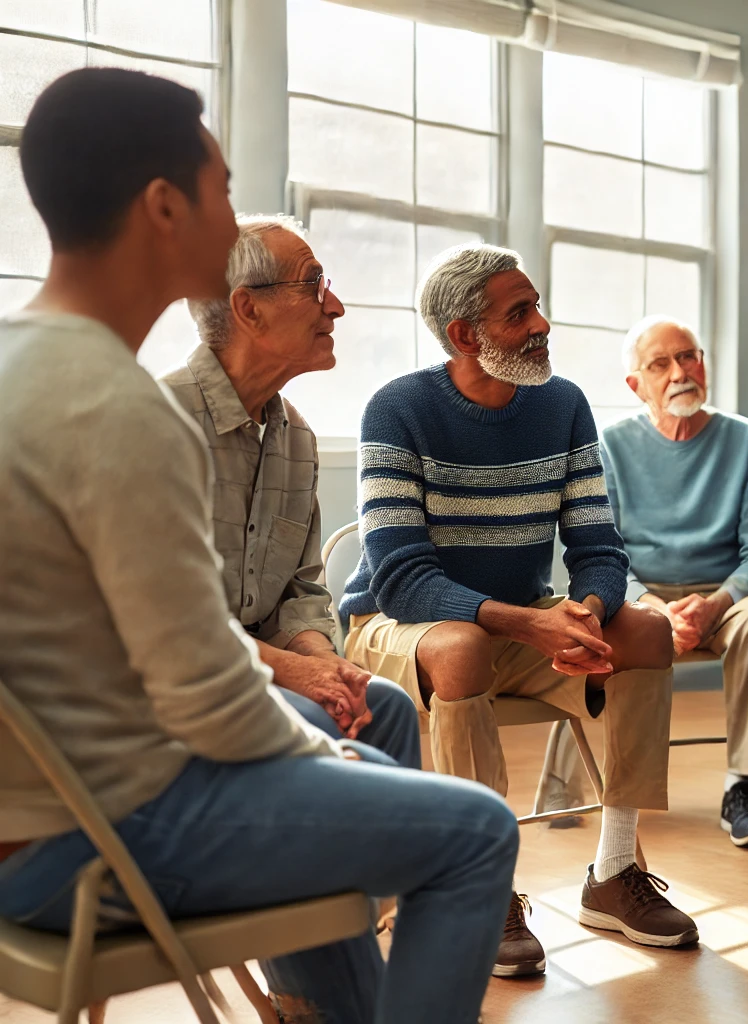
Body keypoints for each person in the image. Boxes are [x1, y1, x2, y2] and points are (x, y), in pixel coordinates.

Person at [0, 67, 517, 1024]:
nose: (231, 212)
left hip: (46, 815)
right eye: (222, 187)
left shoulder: (18, 361)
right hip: (88, 839)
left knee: (367, 754)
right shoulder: (126, 409)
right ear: (163, 207)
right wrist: (329, 764)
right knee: (477, 829)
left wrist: (319, 706)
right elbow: (204, 694)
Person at [338, 242, 681, 976]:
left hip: (521, 622)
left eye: (536, 306)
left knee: (645, 630)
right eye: (519, 313)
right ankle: (480, 887)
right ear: (466, 335)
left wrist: (583, 614)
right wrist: (531, 622)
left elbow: (597, 545)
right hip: (397, 628)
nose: (542, 324)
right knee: (462, 645)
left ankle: (614, 873)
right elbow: (401, 578)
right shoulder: (397, 410)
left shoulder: (562, 406)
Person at [164, 213, 420, 768]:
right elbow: (172, 627)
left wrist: (325, 664)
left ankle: (383, 852)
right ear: (248, 308)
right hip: (180, 685)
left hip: (261, 669)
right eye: (314, 285)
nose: (336, 307)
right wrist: (299, 674)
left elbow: (300, 594)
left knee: (385, 706)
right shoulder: (158, 424)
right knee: (329, 731)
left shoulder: (296, 439)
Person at [538, 314, 748, 847]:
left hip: (720, 597)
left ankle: (742, 786)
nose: (681, 371)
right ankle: (564, 782)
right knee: (586, 624)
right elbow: (600, 550)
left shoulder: (745, 440)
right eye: (661, 363)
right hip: (639, 592)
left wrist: (716, 603)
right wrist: (651, 605)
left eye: (689, 356)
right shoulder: (610, 445)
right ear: (636, 385)